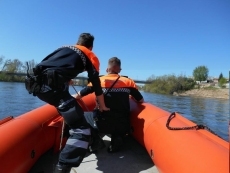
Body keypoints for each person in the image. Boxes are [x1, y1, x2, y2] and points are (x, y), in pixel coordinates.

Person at [25, 33, 109, 173]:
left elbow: (46, 67)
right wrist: (103, 105)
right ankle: (62, 167)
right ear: (91, 47)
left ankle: (94, 141)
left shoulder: (63, 48)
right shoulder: (90, 54)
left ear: (77, 42)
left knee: (76, 116)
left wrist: (65, 79)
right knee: (81, 129)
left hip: (36, 86)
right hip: (53, 90)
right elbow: (96, 84)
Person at [76, 57, 144, 153]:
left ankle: (96, 141)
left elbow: (79, 95)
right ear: (119, 69)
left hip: (102, 124)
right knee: (119, 118)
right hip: (123, 124)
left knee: (81, 116)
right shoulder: (129, 82)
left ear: (107, 69)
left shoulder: (98, 81)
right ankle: (117, 138)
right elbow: (141, 100)